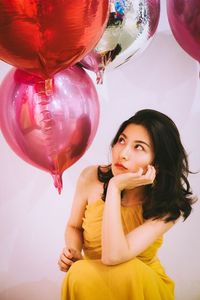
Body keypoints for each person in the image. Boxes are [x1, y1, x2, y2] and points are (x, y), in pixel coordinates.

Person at [58, 109, 196, 300]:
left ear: (158, 162)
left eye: (139, 147)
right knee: (80, 272)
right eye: (122, 140)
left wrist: (114, 187)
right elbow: (74, 226)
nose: (123, 153)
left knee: (126, 267)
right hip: (95, 277)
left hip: (141, 284)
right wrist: (73, 252)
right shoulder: (90, 177)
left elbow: (113, 256)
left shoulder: (168, 207)